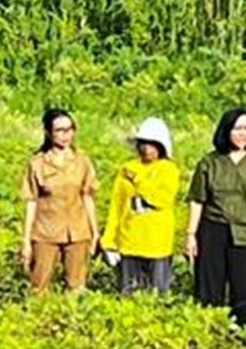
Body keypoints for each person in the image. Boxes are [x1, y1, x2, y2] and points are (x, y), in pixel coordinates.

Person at [185, 107, 246, 349]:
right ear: (226, 130)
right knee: (209, 290)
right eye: (237, 128)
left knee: (245, 292)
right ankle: (209, 343)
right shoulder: (209, 162)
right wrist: (191, 235)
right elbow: (197, 200)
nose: (242, 133)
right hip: (213, 231)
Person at [21, 108, 100, 293]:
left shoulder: (82, 161)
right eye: (60, 131)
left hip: (78, 231)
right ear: (48, 133)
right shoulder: (37, 163)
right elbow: (31, 201)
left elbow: (87, 196)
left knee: (76, 286)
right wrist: (26, 240)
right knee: (39, 286)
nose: (66, 135)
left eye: (70, 129)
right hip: (45, 232)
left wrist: (94, 231)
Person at [102, 117, 180, 296]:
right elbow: (117, 205)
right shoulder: (127, 168)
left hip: (157, 246)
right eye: (143, 143)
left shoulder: (168, 169)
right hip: (129, 243)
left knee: (157, 296)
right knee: (128, 294)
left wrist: (138, 180)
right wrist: (108, 240)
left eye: (152, 143)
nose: (146, 148)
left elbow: (162, 199)